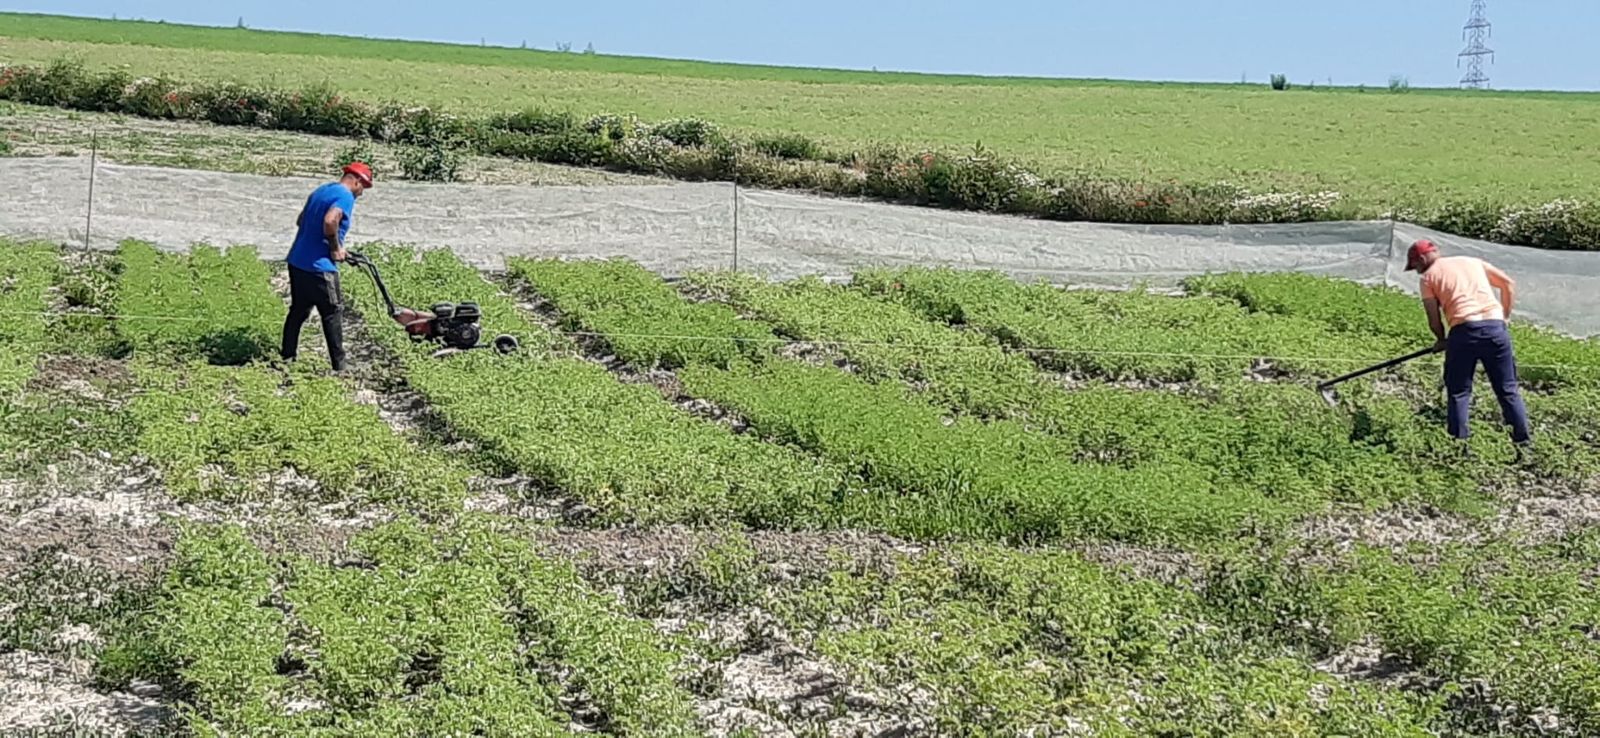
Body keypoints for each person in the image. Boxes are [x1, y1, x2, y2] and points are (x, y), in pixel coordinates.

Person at [1406, 238, 1531, 453]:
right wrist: (1504, 318)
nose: (1417, 271)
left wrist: (1441, 339)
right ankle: (1524, 447)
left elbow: (1433, 317)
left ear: (1423, 258)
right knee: (1508, 390)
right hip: (1495, 330)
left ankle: (1459, 449)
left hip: (1464, 332)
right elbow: (1507, 284)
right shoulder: (1473, 262)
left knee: (1459, 392)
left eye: (1415, 266)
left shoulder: (1428, 277)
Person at [282, 162, 372, 372]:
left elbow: (301, 220)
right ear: (356, 181)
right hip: (320, 268)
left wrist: (331, 244)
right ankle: (340, 368)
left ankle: (286, 358)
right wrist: (334, 248)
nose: (361, 193)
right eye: (363, 188)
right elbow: (331, 221)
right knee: (332, 313)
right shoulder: (345, 196)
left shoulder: (322, 190)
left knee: (298, 312)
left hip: (297, 261)